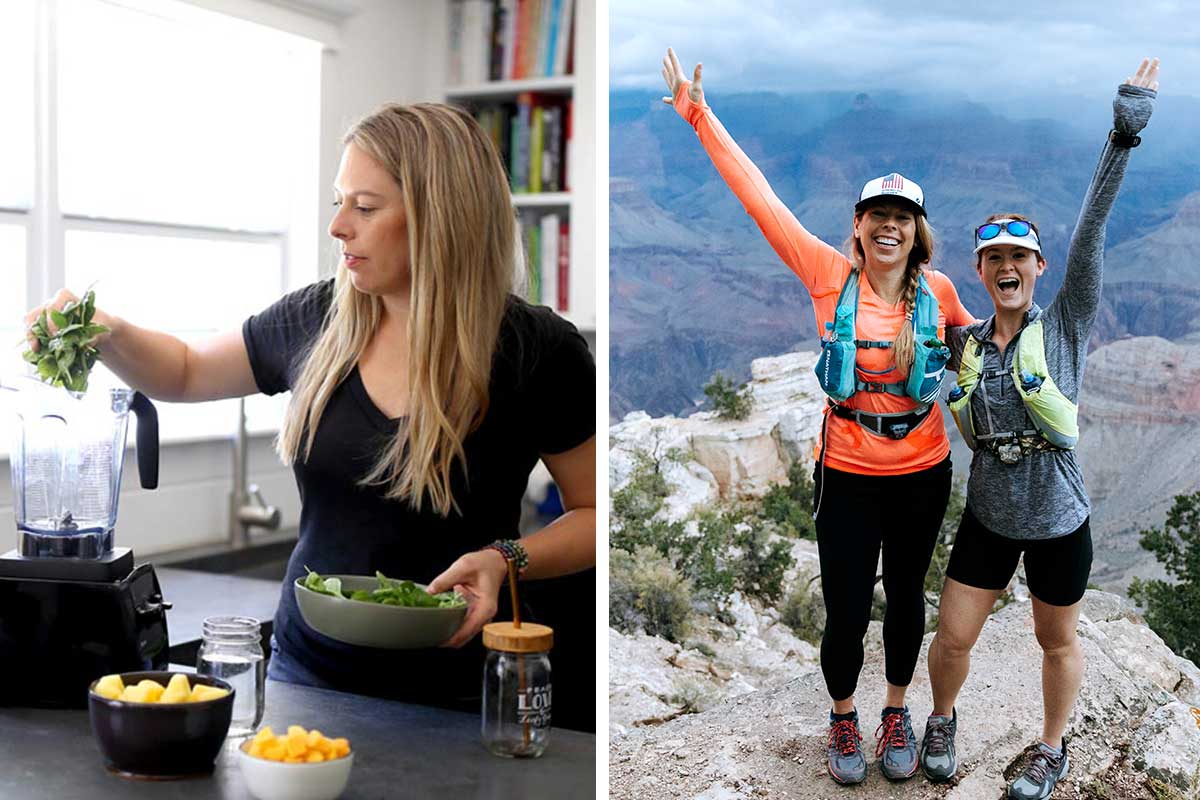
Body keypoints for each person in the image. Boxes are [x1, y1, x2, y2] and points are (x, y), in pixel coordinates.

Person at [24, 102, 597, 711]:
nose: (338, 227)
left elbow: (594, 514)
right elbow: (186, 371)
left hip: (461, 689)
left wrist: (505, 560)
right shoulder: (318, 319)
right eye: (338, 201)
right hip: (307, 678)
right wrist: (106, 330)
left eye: (366, 207)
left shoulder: (539, 352)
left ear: (440, 218)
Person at [662, 48, 975, 785]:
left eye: (903, 218)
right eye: (877, 216)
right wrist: (699, 115)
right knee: (844, 610)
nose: (889, 227)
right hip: (847, 472)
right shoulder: (825, 274)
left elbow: (979, 363)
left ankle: (897, 710)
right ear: (859, 226)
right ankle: (843, 717)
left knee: (904, 602)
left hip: (924, 472)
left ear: (917, 230)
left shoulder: (941, 293)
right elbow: (760, 198)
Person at [920, 59, 1159, 800]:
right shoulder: (964, 344)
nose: (1006, 267)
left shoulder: (1066, 326)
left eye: (1019, 256)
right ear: (982, 271)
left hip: (1059, 519)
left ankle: (1052, 749)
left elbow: (1091, 231)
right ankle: (941, 720)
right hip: (991, 517)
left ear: (1038, 267)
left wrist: (1121, 135)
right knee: (952, 638)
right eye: (993, 258)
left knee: (1056, 639)